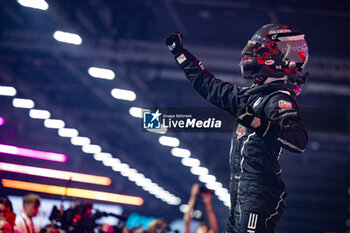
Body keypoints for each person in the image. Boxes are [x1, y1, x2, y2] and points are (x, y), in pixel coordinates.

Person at [165, 24, 309, 233]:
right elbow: (209, 86)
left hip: (259, 191)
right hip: (241, 190)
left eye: (258, 51)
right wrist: (180, 54)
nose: (250, 55)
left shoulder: (278, 99)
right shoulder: (250, 97)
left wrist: (258, 123)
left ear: (276, 58)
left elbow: (299, 141)